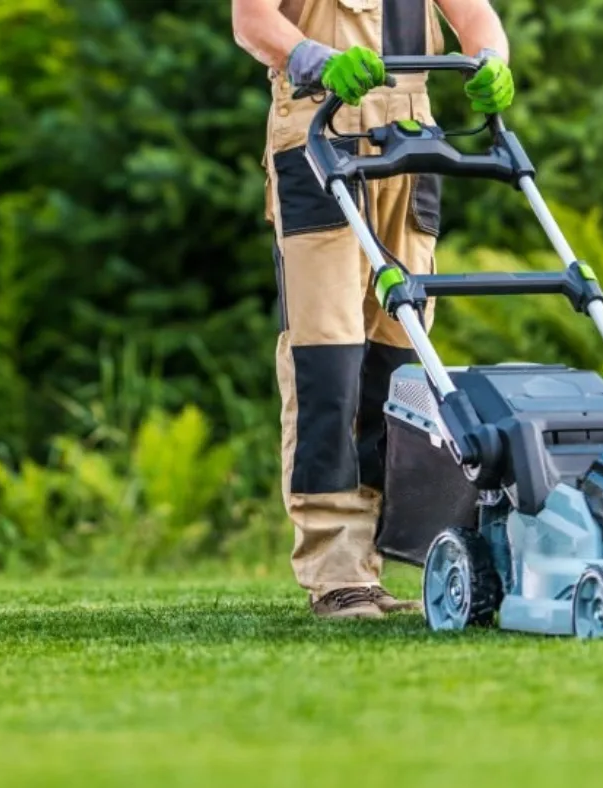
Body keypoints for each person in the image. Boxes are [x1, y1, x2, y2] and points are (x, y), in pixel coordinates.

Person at [231, 0, 516, 619]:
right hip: (317, 132)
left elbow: (476, 18)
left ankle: (383, 561)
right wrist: (316, 59)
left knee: (401, 362)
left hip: (409, 144)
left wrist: (492, 59)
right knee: (327, 359)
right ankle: (337, 571)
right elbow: (250, 20)